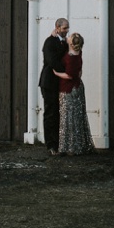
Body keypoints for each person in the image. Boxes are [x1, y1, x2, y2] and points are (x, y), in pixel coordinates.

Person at [57, 31, 95, 156]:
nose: (68, 37)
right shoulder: (78, 53)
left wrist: (56, 73)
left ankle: (71, 147)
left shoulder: (71, 57)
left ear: (72, 44)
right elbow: (79, 73)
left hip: (70, 89)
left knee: (69, 117)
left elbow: (70, 75)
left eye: (70, 37)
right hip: (77, 87)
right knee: (77, 116)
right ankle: (77, 145)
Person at [38, 18, 69, 154]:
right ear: (57, 27)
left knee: (59, 114)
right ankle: (51, 145)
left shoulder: (65, 43)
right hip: (49, 82)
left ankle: (59, 144)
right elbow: (53, 62)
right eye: (64, 28)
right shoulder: (49, 42)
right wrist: (68, 71)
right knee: (51, 113)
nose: (66, 31)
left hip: (60, 82)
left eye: (68, 28)